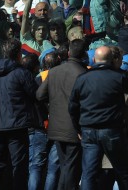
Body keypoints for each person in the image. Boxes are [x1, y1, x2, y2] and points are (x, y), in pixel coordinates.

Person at [69, 46, 128, 190]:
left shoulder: (82, 79)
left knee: (88, 173)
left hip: (88, 130)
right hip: (112, 130)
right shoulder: (119, 77)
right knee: (123, 171)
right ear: (112, 60)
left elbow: (72, 107)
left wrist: (78, 128)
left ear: (94, 60)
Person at [0, 38, 38, 190]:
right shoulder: (21, 73)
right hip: (17, 125)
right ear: (18, 54)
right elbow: (35, 95)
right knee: (19, 165)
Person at [36, 39, 88, 190]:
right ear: (84, 54)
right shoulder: (83, 73)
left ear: (69, 52)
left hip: (56, 127)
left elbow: (40, 95)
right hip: (74, 129)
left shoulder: (54, 71)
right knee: (71, 168)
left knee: (66, 166)